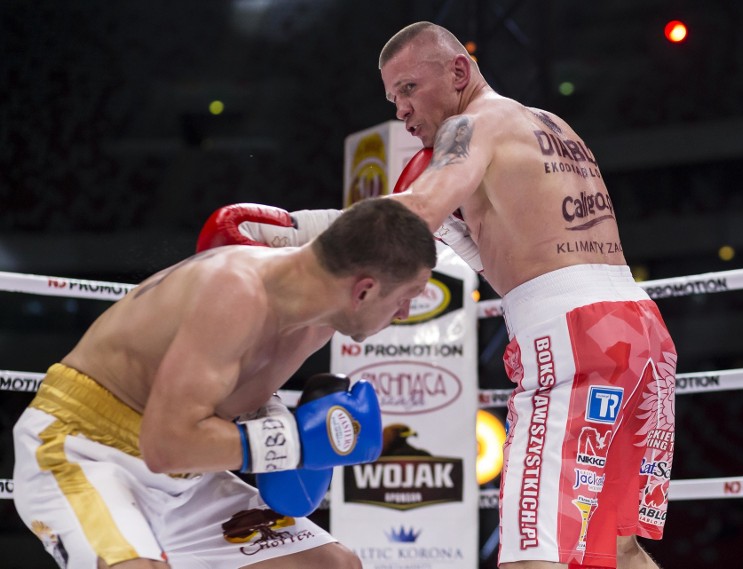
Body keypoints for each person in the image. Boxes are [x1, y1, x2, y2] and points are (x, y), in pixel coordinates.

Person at [214, 21, 679, 569]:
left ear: (459, 71)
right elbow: (509, 237)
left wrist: (293, 230)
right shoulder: (550, 125)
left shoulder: (469, 126)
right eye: (393, 97)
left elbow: (414, 216)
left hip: (573, 337)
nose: (401, 110)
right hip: (641, 333)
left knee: (535, 553)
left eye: (409, 88)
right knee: (619, 547)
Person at [13, 197, 437, 569]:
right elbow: (164, 446)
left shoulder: (319, 319)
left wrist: (271, 414)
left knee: (332, 564)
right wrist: (298, 440)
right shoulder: (236, 291)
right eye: (406, 296)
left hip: (189, 481)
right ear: (363, 290)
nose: (403, 313)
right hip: (86, 451)